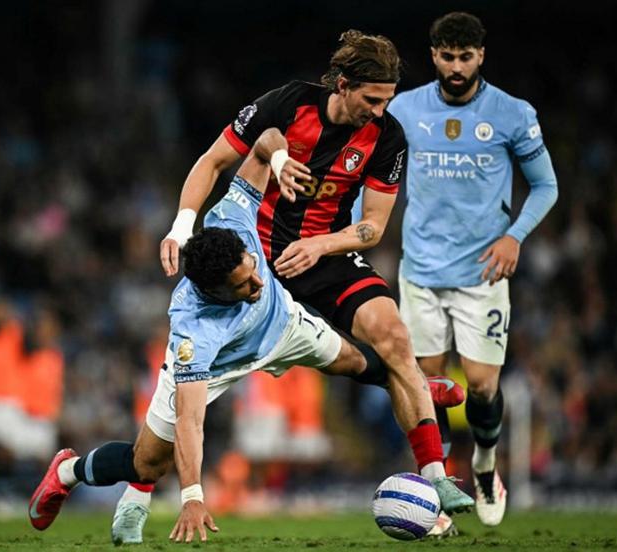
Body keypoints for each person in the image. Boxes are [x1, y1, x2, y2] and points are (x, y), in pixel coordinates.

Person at [149, 29, 472, 540]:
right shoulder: (289, 102)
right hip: (253, 259)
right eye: (372, 99)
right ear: (342, 85)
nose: (380, 111)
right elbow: (213, 161)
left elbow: (374, 226)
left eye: (388, 100)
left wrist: (322, 245)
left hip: (324, 253)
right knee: (161, 444)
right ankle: (407, 382)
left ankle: (436, 473)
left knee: (394, 336)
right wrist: (183, 226)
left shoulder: (387, 137)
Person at [28, 129, 407, 544]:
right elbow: (192, 420)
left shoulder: (232, 219)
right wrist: (192, 496)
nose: (257, 283)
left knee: (355, 362)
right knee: (147, 465)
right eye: (243, 286)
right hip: (218, 360)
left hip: (280, 325)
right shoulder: (195, 327)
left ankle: (419, 385)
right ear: (214, 292)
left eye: (252, 268)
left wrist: (279, 160)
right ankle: (67, 471)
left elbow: (265, 140)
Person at [380, 12, 558, 536]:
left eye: (465, 57)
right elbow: (372, 167)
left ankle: (485, 464)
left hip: (482, 273)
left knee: (480, 388)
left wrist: (514, 236)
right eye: (446, 56)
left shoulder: (512, 113)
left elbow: (545, 186)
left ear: (481, 56)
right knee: (424, 386)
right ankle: (435, 490)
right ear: (433, 55)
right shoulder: (405, 109)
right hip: (421, 272)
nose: (456, 67)